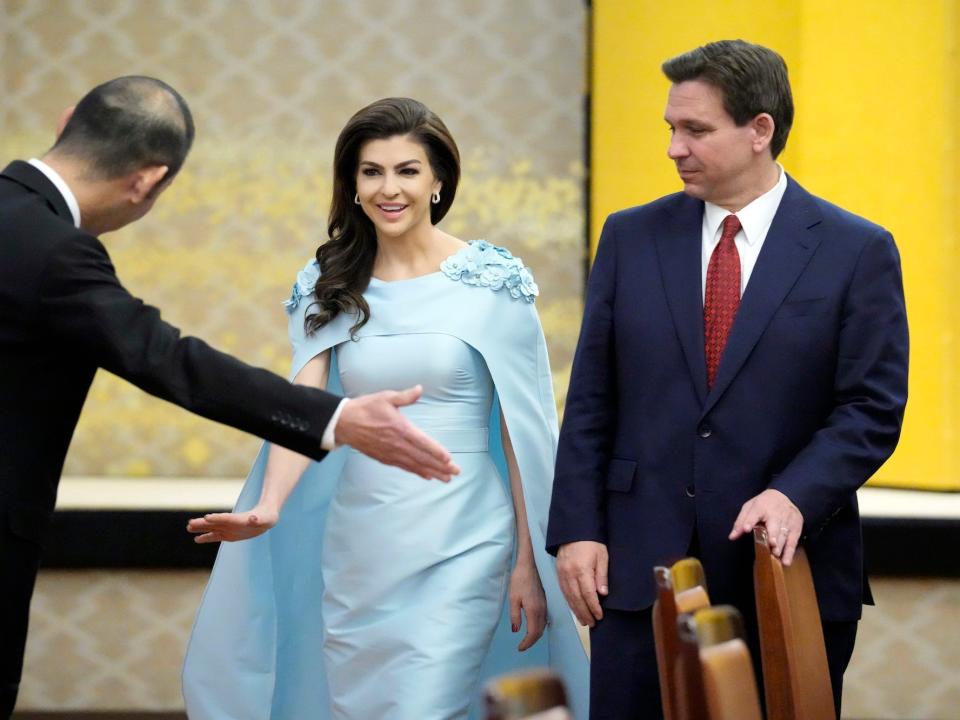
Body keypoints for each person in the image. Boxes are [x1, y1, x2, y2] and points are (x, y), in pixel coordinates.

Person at [0, 77, 459, 719]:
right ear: (147, 182)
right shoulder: (55, 254)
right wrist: (336, 418)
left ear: (68, 118)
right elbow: (169, 359)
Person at [182, 97, 589, 720]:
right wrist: (267, 506)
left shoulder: (492, 280)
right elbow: (305, 407)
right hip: (361, 544)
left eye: (406, 170)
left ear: (438, 181)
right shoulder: (330, 282)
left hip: (467, 539)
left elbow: (524, 432)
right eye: (371, 172)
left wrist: (529, 564)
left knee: (426, 705)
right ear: (351, 184)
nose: (388, 188)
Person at [546, 40, 908, 720]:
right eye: (670, 129)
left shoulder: (856, 250)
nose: (674, 148)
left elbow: (871, 407)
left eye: (696, 130)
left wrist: (795, 494)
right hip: (637, 573)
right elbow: (593, 398)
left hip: (782, 573)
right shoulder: (630, 237)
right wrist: (576, 531)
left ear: (759, 131)